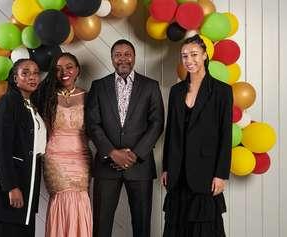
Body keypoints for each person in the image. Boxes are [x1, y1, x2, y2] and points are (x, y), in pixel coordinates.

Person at [86, 39, 165, 237]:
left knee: (142, 226)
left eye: (127, 54)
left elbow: (157, 124)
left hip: (140, 167)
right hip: (106, 167)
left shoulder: (150, 86)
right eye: (118, 55)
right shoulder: (98, 86)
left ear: (134, 57)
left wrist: (135, 155)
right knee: (101, 227)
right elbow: (92, 124)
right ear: (112, 59)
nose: (123, 58)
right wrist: (112, 153)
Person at [161, 34, 233, 237]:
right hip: (177, 173)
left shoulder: (222, 91)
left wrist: (221, 174)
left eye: (194, 54)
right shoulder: (176, 91)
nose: (189, 60)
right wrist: (167, 167)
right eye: (184, 56)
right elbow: (171, 132)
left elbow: (225, 135)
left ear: (204, 56)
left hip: (206, 173)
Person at [0, 59, 47, 237]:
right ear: (15, 79)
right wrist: (11, 186)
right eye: (25, 72)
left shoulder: (30, 105)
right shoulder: (8, 102)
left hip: (29, 179)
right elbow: (2, 147)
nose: (32, 77)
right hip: (11, 182)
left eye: (35, 72)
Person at [38, 52, 92, 237]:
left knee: (80, 201)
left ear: (78, 70)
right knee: (61, 201)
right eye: (58, 69)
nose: (64, 72)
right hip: (55, 159)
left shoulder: (89, 96)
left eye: (69, 67)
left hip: (81, 160)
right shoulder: (44, 96)